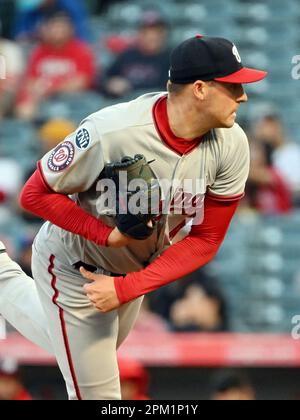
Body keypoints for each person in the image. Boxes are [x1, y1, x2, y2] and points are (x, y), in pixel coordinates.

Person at [0, 35, 267, 400]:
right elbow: (34, 193)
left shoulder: (231, 144)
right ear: (201, 89)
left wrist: (128, 287)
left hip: (131, 274)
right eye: (234, 86)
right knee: (101, 394)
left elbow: (206, 240)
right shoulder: (111, 131)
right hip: (75, 265)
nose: (244, 96)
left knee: (67, 343)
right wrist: (104, 235)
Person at [16, 10, 96, 121]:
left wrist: (48, 88)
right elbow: (30, 82)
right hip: (41, 101)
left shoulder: (81, 51)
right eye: (54, 27)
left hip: (71, 103)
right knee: (25, 110)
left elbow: (80, 83)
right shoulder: (39, 52)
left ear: (71, 29)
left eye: (61, 27)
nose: (57, 31)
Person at [104, 11, 170, 98]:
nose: (151, 36)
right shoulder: (127, 55)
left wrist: (129, 87)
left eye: (156, 32)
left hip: (154, 105)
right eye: (145, 32)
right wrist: (111, 84)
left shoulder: (171, 58)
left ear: (164, 34)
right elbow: (106, 79)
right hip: (124, 104)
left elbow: (165, 89)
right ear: (139, 33)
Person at [14, 0, 90, 41]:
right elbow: (19, 34)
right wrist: (34, 35)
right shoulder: (29, 9)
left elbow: (82, 35)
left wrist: (57, 34)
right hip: (39, 51)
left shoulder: (71, 6)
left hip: (67, 50)